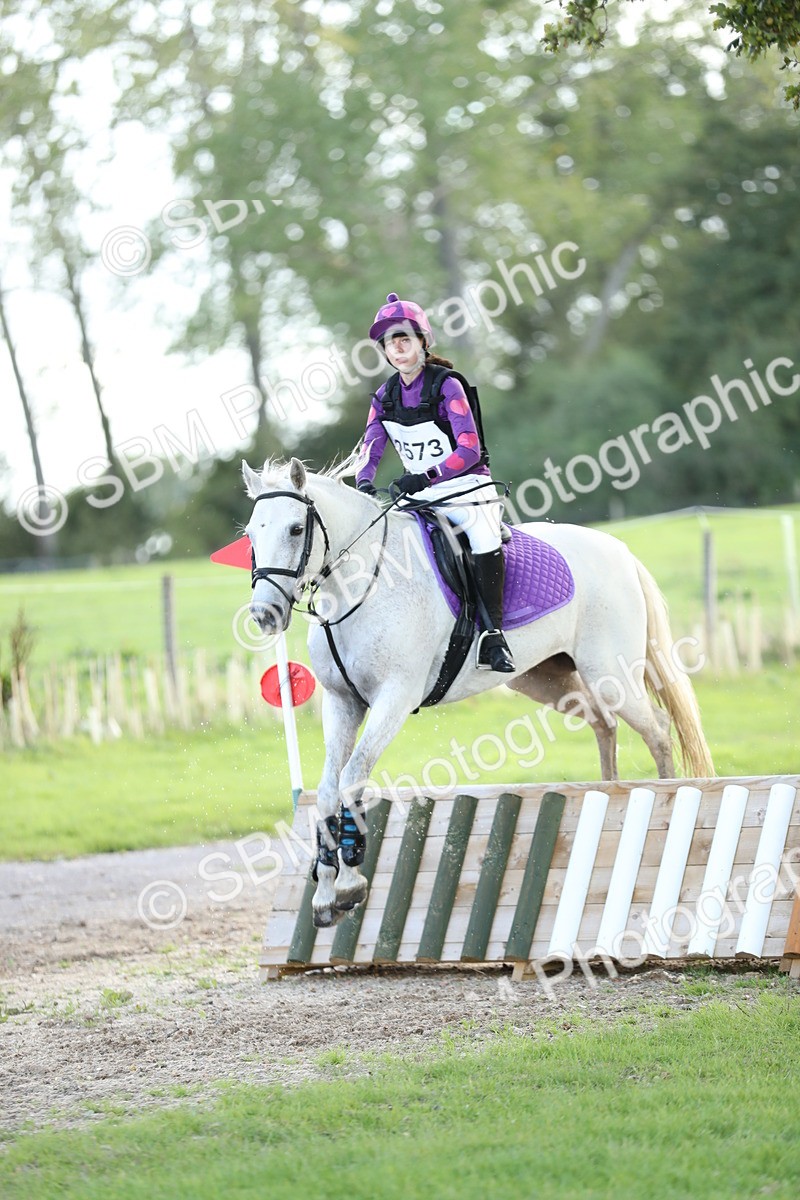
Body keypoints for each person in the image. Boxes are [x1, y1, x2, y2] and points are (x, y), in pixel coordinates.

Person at [355, 292, 515, 674]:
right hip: (421, 494)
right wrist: (363, 483)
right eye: (390, 343)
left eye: (404, 339)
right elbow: (370, 448)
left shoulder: (447, 385)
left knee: (483, 536)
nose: (397, 348)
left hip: (465, 486)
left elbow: (470, 448)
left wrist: (425, 476)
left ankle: (493, 635)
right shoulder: (384, 397)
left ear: (423, 342)